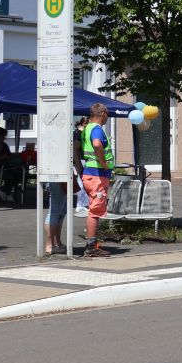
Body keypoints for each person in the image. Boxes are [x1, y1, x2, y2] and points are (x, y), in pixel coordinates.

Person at [81, 103, 113, 258]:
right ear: (103, 113)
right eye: (107, 114)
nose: (108, 117)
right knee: (95, 210)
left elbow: (78, 146)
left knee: (95, 208)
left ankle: (92, 244)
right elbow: (96, 144)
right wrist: (103, 163)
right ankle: (91, 247)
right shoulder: (96, 129)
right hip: (97, 175)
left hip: (90, 173)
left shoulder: (86, 127)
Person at [43, 181, 69, 256]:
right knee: (54, 212)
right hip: (56, 178)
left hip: (61, 179)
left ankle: (57, 242)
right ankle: (50, 244)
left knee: (62, 212)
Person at [72, 116, 89, 215]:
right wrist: (78, 163)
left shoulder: (76, 132)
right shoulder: (80, 133)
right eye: (87, 123)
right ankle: (81, 205)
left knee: (82, 181)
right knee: (83, 182)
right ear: (83, 123)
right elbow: (76, 147)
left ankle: (83, 204)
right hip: (81, 160)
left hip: (79, 160)